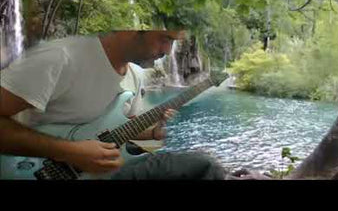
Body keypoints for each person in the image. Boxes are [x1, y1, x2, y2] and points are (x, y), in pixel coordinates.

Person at [0, 29, 226, 180]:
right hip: (36, 169)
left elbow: (115, 131)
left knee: (205, 165)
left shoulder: (135, 76)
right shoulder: (60, 58)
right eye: (165, 38)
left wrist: (152, 133)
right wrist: (69, 152)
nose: (168, 51)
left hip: (108, 171)